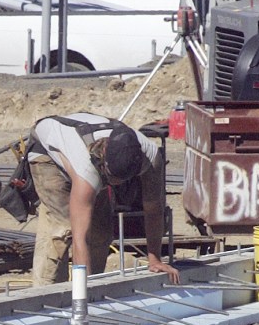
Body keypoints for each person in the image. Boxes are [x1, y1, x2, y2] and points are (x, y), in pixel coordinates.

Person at [27, 112, 180, 286]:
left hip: (87, 142)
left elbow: (154, 210)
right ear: (104, 161)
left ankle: (94, 283)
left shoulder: (151, 159)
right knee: (64, 227)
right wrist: (82, 292)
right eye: (112, 179)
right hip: (47, 151)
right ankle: (47, 291)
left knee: (101, 231)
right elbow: (80, 238)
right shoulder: (86, 171)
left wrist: (155, 259)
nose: (116, 184)